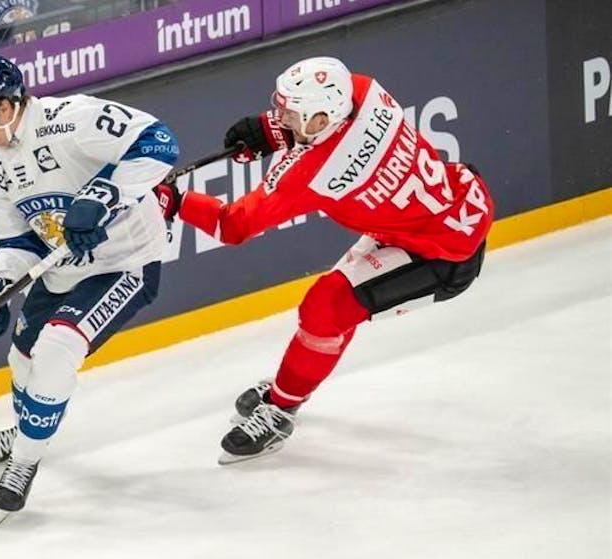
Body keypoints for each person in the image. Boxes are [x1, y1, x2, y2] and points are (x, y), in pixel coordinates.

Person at [154, 56, 494, 464]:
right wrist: (272, 130)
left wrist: (177, 200)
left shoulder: (311, 172)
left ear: (320, 118)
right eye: (281, 109)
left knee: (327, 307)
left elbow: (233, 226)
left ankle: (280, 410)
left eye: (291, 115)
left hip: (442, 253)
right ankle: (292, 384)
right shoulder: (365, 90)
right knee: (334, 310)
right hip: (451, 203)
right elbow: (332, 123)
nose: (284, 118)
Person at [0, 53, 178, 519]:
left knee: (57, 348)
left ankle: (26, 459)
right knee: (23, 357)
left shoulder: (70, 119)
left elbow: (158, 141)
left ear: (7, 106)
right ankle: (31, 426)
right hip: (62, 270)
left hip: (125, 262)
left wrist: (101, 195)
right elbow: (16, 242)